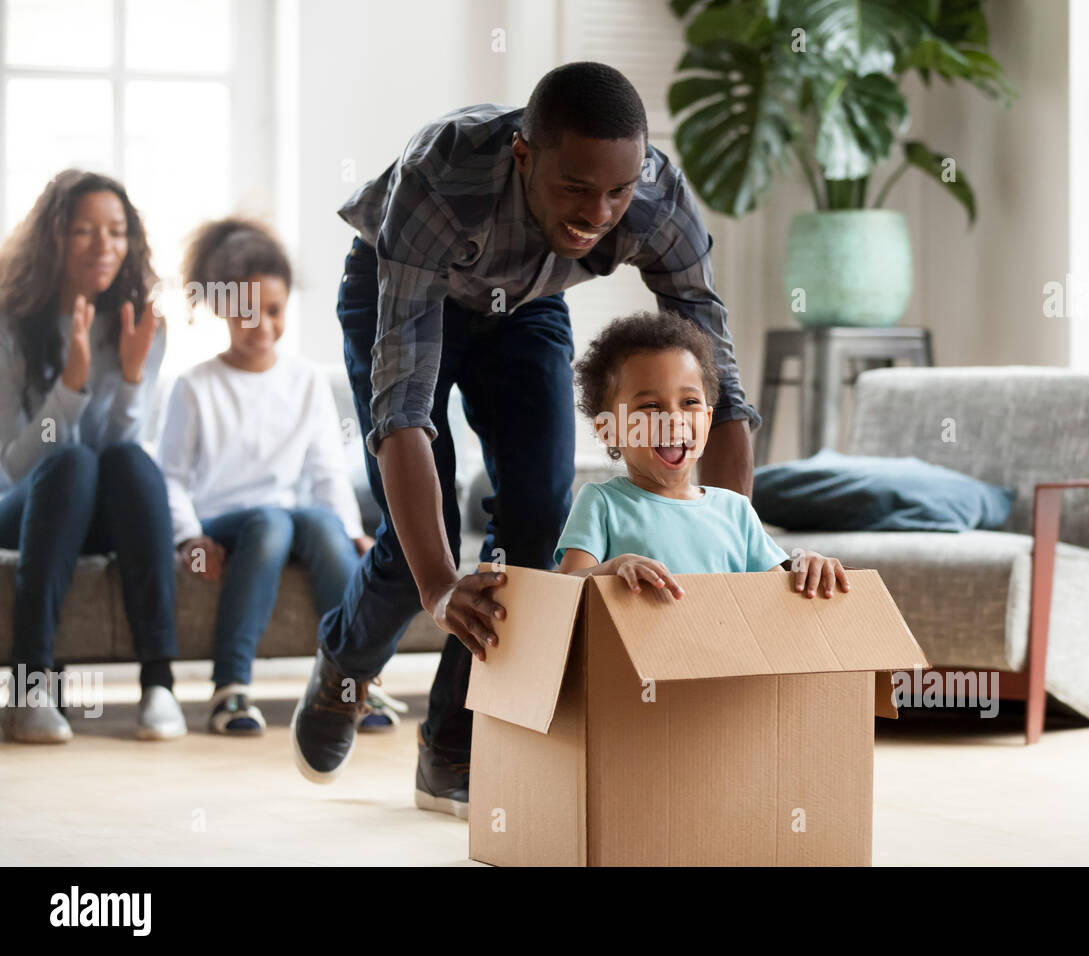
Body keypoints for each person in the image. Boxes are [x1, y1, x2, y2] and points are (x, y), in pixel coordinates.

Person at [292, 62, 761, 819]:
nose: (598, 211)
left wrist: (731, 538)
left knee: (540, 517)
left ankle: (452, 745)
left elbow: (722, 386)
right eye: (575, 187)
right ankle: (344, 669)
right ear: (523, 156)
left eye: (616, 192)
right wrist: (442, 587)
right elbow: (401, 411)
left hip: (528, 306)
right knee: (423, 536)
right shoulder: (440, 176)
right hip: (408, 291)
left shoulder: (656, 199)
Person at [157, 218, 376, 735]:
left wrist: (351, 532)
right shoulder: (194, 387)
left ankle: (354, 684)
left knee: (322, 524)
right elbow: (169, 478)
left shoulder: (306, 381)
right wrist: (190, 538)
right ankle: (230, 689)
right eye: (246, 312)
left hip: (287, 520)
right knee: (272, 522)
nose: (262, 325)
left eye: (273, 311)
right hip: (224, 519)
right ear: (221, 309)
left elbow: (326, 471)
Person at [0, 169, 180, 743]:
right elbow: (14, 467)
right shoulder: (12, 324)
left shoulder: (139, 324)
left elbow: (121, 449)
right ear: (54, 237)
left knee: (130, 462)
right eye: (84, 231)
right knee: (71, 463)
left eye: (117, 231)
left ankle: (159, 684)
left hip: (98, 509)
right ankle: (30, 689)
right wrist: (71, 388)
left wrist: (129, 376)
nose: (104, 246)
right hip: (22, 509)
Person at [556, 310, 849, 596]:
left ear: (708, 421)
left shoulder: (735, 511)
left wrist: (806, 566)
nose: (673, 418)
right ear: (608, 429)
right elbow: (566, 591)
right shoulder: (602, 503)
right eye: (650, 406)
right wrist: (612, 568)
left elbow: (774, 596)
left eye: (689, 402)